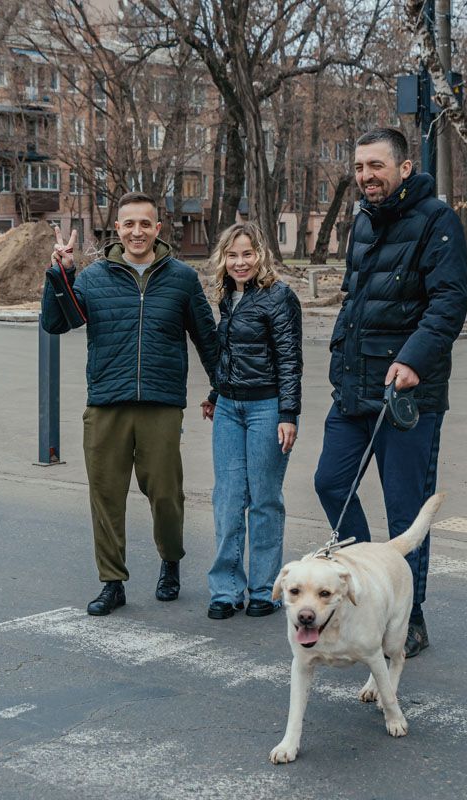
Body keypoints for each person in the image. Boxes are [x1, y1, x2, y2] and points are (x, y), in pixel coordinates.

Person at [313, 127, 467, 657]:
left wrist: (411, 360)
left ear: (404, 168)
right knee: (331, 482)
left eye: (375, 166)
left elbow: (448, 305)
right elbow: (356, 299)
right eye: (359, 168)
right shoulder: (362, 220)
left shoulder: (437, 221)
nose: (365, 177)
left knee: (406, 513)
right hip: (354, 389)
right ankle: (362, 583)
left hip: (407, 397)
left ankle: (411, 614)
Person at [40, 192, 219, 616]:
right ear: (116, 230)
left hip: (161, 402)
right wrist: (59, 273)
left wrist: (221, 388)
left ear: (158, 229)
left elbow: (207, 338)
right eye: (128, 224)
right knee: (105, 496)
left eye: (145, 224)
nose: (136, 231)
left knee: (166, 494)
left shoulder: (181, 278)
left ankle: (170, 563)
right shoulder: (93, 277)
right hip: (106, 403)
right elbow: (56, 322)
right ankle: (111, 582)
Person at [200, 223, 302, 620]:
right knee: (227, 498)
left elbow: (289, 359)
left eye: (247, 254)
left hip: (266, 408)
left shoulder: (279, 297)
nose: (240, 262)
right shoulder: (229, 296)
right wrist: (215, 394)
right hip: (228, 407)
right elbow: (231, 354)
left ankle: (264, 588)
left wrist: (288, 414)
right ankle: (226, 590)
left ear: (261, 255)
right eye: (232, 255)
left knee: (264, 500)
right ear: (223, 259)